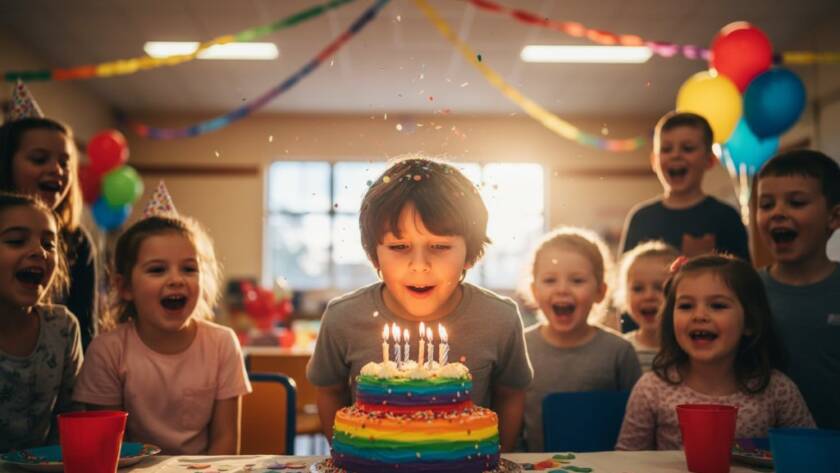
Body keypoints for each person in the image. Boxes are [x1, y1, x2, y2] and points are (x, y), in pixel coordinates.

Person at [306, 156, 533, 452]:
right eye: (399, 247)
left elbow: (511, 394)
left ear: (470, 254)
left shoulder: (499, 318)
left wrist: (495, 457)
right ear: (375, 255)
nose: (419, 266)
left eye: (439, 247)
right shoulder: (343, 318)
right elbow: (329, 391)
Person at [73, 199, 252, 454]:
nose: (177, 280)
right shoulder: (107, 351)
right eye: (157, 270)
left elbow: (225, 441)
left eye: (189, 268)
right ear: (124, 287)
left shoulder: (222, 343)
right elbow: (107, 451)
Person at [616, 255, 814, 450]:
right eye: (686, 306)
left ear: (750, 322)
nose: (699, 316)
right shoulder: (652, 389)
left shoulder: (778, 391)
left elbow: (809, 455)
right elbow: (625, 461)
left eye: (717, 305)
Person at [522, 227, 641, 452]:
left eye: (577, 280)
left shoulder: (619, 351)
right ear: (534, 291)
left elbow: (637, 422)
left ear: (601, 291)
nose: (562, 290)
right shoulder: (520, 348)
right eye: (549, 280)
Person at [755, 149, 840, 429]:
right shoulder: (746, 290)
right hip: (762, 449)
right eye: (766, 205)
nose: (778, 213)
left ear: (833, 217)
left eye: (796, 202)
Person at [0, 117, 99, 350]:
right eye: (39, 159)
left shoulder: (78, 241)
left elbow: (85, 329)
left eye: (65, 163)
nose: (56, 170)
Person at [0, 192, 82, 452]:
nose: (39, 251)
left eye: (49, 244)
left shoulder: (62, 327)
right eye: (16, 241)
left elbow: (73, 419)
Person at [619, 111, 750, 261]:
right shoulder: (641, 218)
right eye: (666, 149)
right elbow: (624, 278)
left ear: (710, 160)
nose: (676, 155)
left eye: (687, 148)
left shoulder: (726, 217)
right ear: (654, 161)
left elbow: (743, 280)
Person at [615, 240, 679, 372]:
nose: (648, 296)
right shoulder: (619, 350)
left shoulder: (688, 349)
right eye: (638, 289)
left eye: (659, 287)